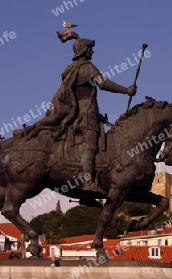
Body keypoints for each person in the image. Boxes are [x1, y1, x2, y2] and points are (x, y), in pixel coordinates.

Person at [29, 34, 136, 192]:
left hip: (80, 111)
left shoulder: (72, 69)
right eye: (90, 49)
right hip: (86, 113)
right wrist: (126, 90)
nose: (92, 52)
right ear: (83, 50)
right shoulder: (87, 67)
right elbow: (103, 83)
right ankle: (88, 182)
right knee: (90, 146)